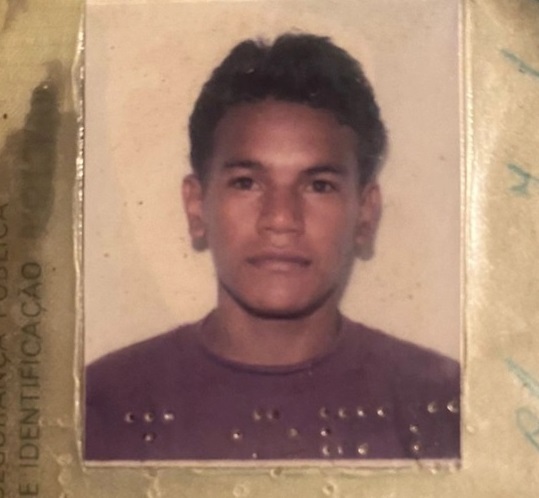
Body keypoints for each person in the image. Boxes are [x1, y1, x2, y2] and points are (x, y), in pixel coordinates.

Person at [85, 33, 460, 461]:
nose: (281, 219)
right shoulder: (100, 408)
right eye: (247, 183)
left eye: (319, 186)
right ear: (196, 206)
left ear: (365, 213)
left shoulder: (445, 409)